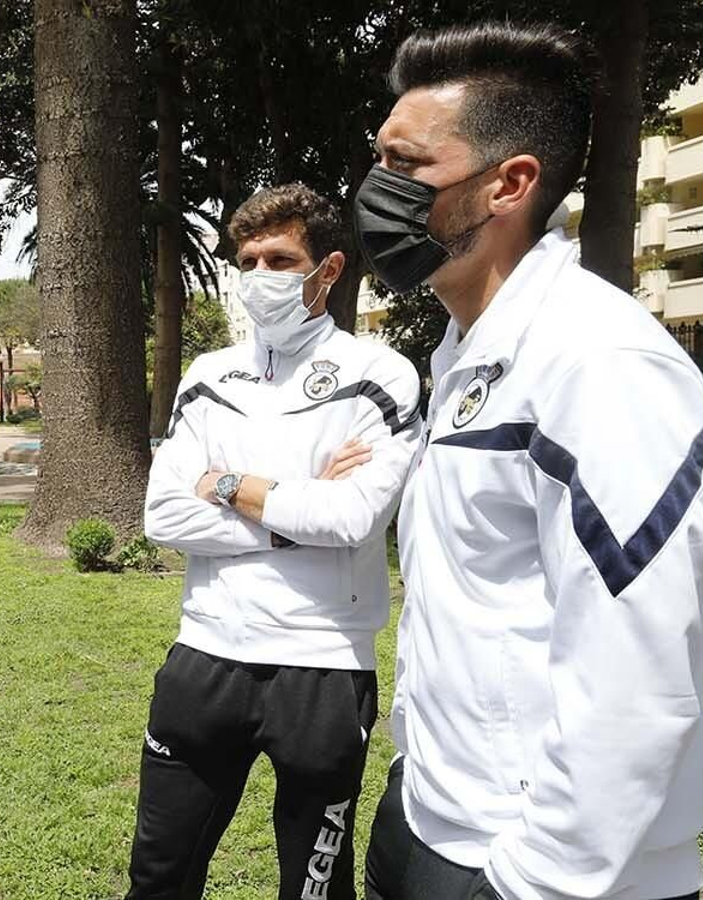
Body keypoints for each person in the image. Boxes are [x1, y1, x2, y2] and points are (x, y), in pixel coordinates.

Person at [356, 23, 703, 900]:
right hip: (430, 816)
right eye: (378, 159)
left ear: (509, 184)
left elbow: (635, 677)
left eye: (406, 165)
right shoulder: (469, 352)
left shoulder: (601, 363)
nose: (375, 189)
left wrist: (535, 879)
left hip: (532, 868)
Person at [131, 183, 423, 900]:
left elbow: (352, 518)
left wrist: (226, 482)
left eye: (281, 260)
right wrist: (295, 508)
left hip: (322, 668)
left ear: (328, 269)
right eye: (248, 261)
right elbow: (163, 516)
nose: (259, 276)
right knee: (159, 880)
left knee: (315, 890)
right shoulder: (208, 376)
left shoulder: (379, 374)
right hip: (205, 656)